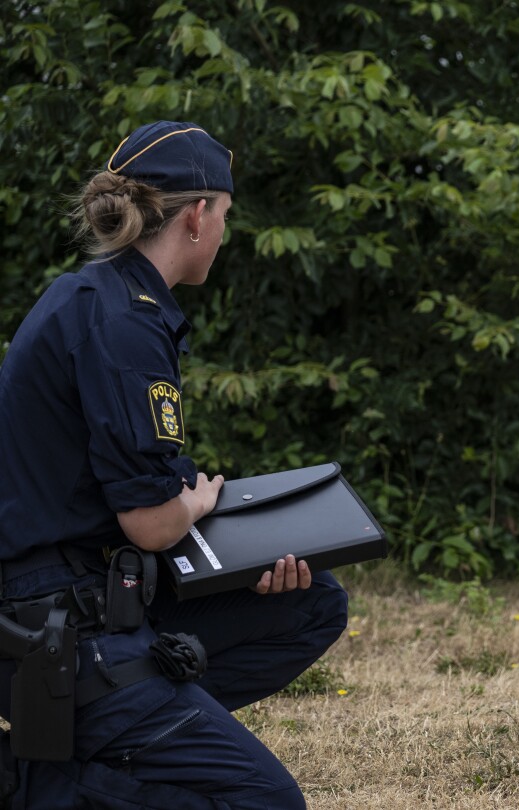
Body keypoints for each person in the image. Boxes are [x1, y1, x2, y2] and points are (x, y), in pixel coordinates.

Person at [0, 121, 349, 808]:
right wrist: (196, 502)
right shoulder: (124, 323)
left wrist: (235, 549)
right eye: (224, 214)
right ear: (197, 216)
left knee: (314, 600)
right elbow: (153, 524)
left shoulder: (94, 297)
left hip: (88, 597)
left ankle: (131, 729)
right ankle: (29, 783)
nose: (223, 229)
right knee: (267, 802)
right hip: (58, 630)